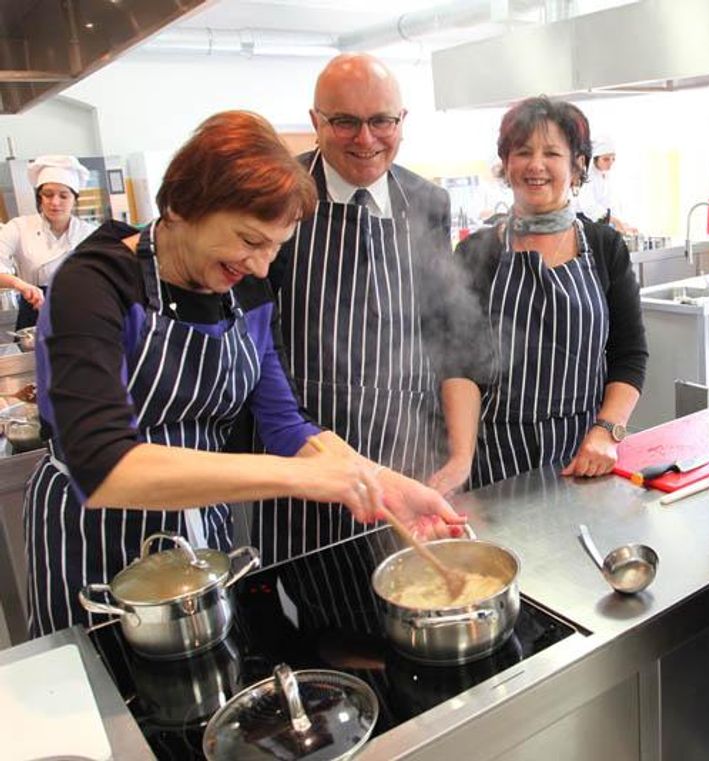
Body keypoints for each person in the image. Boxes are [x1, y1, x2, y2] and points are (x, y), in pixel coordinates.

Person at [24, 111, 463, 638]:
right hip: (94, 541)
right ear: (182, 207)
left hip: (200, 540)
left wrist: (388, 486)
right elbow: (103, 465)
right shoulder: (93, 284)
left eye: (276, 248)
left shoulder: (246, 291)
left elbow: (286, 425)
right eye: (250, 241)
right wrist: (305, 478)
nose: (260, 266)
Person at [250, 53, 479, 564]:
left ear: (401, 121)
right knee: (325, 614)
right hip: (308, 453)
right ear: (315, 122)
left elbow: (444, 330)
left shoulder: (427, 201)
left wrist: (457, 455)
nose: (366, 138)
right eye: (345, 122)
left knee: (416, 595)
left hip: (411, 446)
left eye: (381, 121)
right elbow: (259, 342)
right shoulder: (279, 196)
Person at [445, 97, 648, 489]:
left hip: (584, 455)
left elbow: (629, 353)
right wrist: (460, 459)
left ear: (577, 166)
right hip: (493, 459)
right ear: (506, 164)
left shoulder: (605, 246)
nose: (535, 165)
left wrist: (607, 431)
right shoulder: (476, 253)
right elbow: (459, 366)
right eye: (522, 152)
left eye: (552, 153)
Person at [0, 155, 98, 329]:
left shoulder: (90, 234)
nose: (55, 202)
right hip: (34, 314)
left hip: (80, 313)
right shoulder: (19, 227)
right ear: (40, 197)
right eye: (48, 194)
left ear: (75, 199)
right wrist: (20, 285)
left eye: (63, 196)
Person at [575, 134, 636, 234]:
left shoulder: (605, 176)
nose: (610, 163)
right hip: (582, 223)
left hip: (599, 224)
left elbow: (611, 204)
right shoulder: (585, 177)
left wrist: (624, 225)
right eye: (606, 159)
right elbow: (589, 207)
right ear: (595, 159)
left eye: (613, 159)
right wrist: (615, 222)